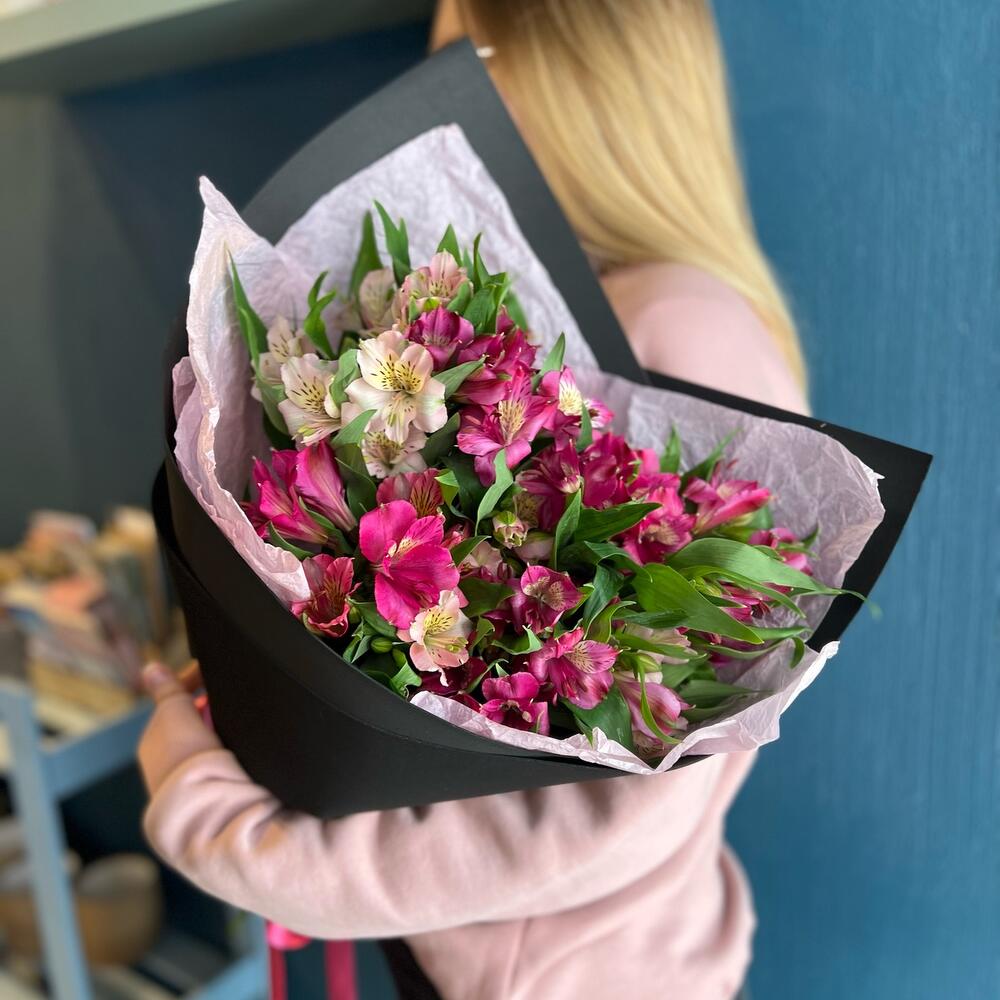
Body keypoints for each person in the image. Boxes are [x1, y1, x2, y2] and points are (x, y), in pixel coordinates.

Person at [139, 2, 809, 997]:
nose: (433, 99)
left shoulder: (678, 324)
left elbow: (634, 793)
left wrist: (226, 822)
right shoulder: (583, 301)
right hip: (506, 949)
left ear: (586, 84)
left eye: (472, 57)